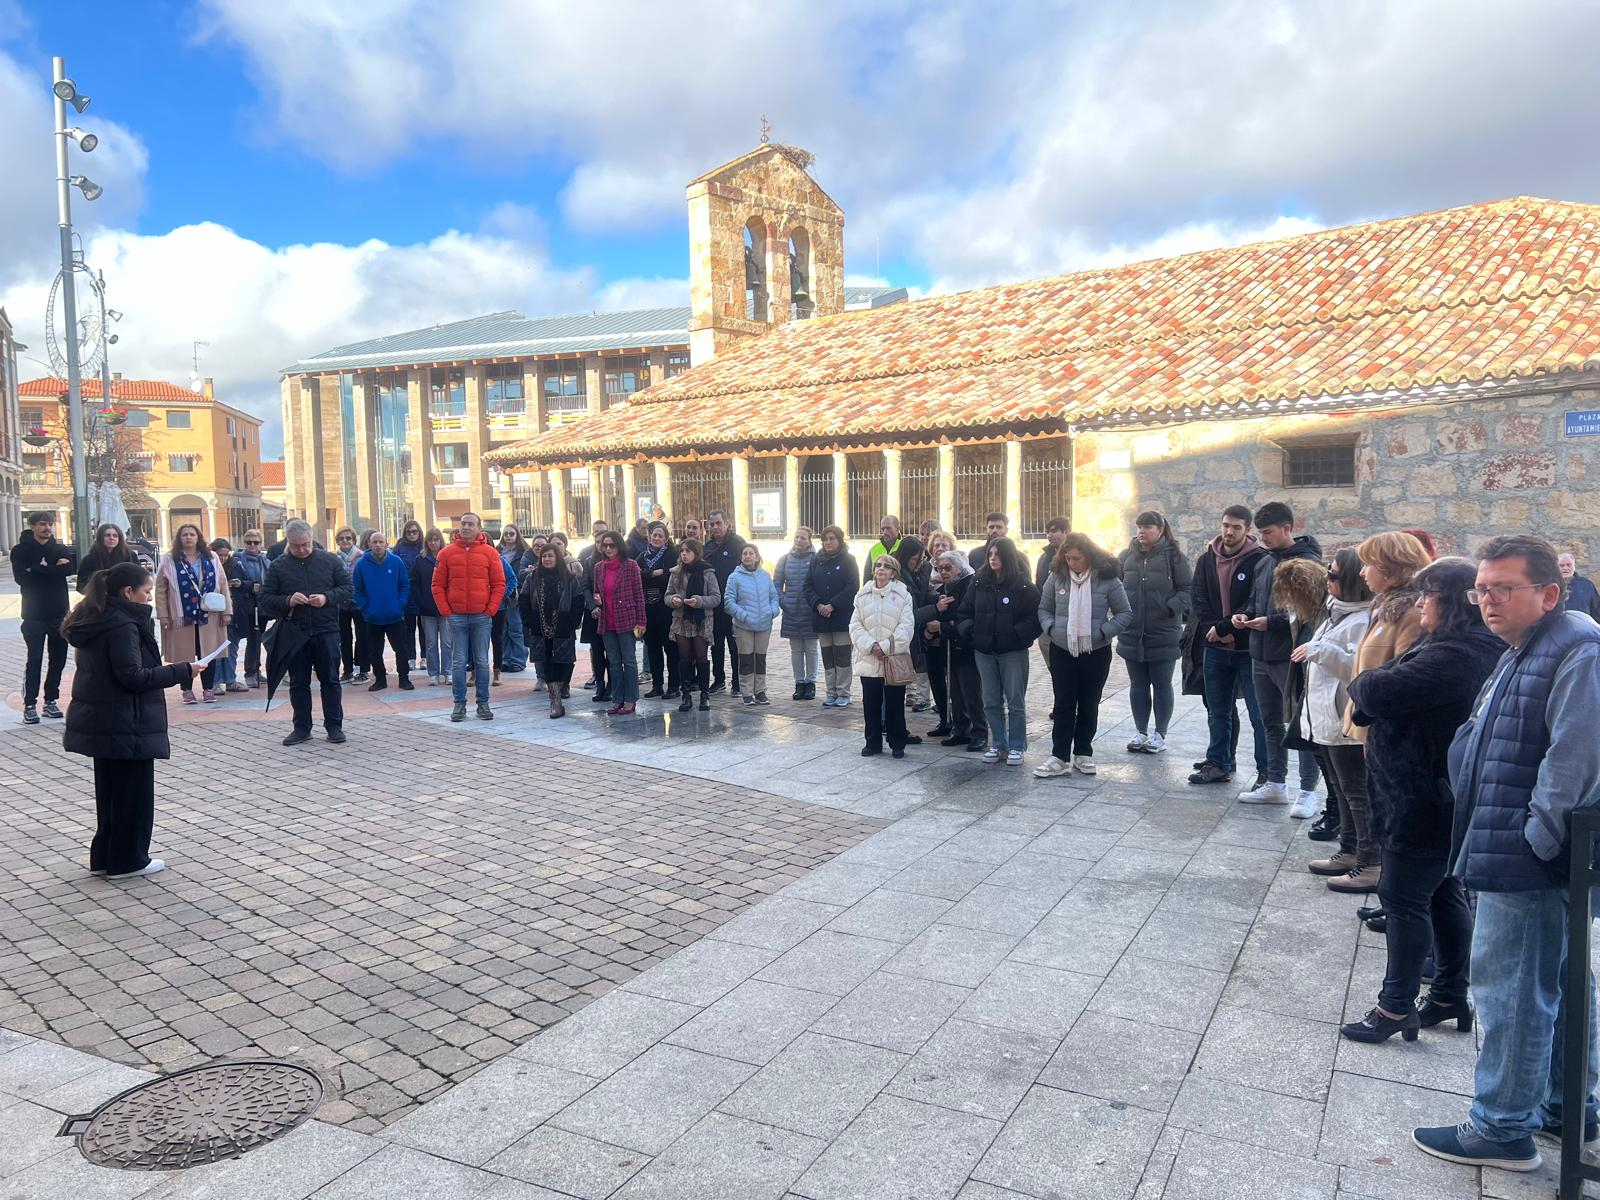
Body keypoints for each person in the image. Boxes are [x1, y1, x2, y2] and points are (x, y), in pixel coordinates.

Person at [1412, 535, 1600, 1173]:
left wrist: (1535, 840)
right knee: (1558, 979)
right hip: (1515, 846)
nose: (1487, 601)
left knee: (1512, 990)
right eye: (1481, 590)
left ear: (1548, 593)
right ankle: (1563, 1104)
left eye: (1502, 589)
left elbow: (1573, 760)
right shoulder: (1529, 648)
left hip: (1529, 857)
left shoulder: (1577, 649)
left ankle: (1502, 1128)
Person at [1339, 557, 1503, 1046]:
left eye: (1427, 595)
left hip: (1424, 799)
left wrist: (1366, 689)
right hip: (1422, 794)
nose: (1419, 604)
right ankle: (1451, 992)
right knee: (1441, 893)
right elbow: (1380, 685)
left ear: (1450, 601)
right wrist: (1370, 690)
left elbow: (1376, 685)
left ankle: (1394, 1007)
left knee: (1404, 899)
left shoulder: (1461, 654)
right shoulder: (1447, 644)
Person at [1309, 530, 1430, 892]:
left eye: (1371, 565)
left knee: (1363, 793)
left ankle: (1371, 863)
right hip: (1363, 716)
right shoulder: (1383, 607)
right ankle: (1353, 853)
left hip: (1383, 722)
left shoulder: (1409, 613)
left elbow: (1402, 672)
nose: (1363, 573)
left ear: (1391, 569)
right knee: (1348, 789)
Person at [61, 561, 197, 879]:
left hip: (107, 719)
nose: (149, 597)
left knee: (111, 794)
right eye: (147, 591)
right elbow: (133, 676)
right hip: (127, 720)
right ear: (128, 592)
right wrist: (183, 670)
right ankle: (128, 860)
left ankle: (107, 857)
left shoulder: (98, 616)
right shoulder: (122, 624)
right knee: (132, 794)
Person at [1232, 502, 1322, 805]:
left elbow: (1310, 614)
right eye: (1260, 533)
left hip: (1291, 656)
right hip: (1260, 654)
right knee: (1270, 722)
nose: (1263, 538)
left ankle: (1308, 791)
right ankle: (1276, 784)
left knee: (1303, 724)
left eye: (1268, 533)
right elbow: (1254, 601)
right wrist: (1242, 616)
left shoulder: (1308, 563)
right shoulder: (1264, 561)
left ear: (1288, 528)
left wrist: (1270, 622)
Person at [1289, 548, 1373, 844]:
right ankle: (1348, 848)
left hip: (1344, 722)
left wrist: (1320, 651)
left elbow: (1361, 668)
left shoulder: (1364, 619)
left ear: (1350, 580)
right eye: (1328, 571)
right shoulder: (1334, 612)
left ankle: (1365, 855)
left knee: (1355, 792)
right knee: (1339, 788)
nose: (1326, 578)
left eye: (1333, 574)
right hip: (1324, 718)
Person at [1035, 533, 1131, 777]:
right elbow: (1044, 608)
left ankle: (1083, 753)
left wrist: (1102, 632)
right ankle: (1059, 756)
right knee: (1063, 702)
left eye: (1076, 559)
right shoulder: (1056, 577)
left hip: (1095, 650)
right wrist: (1051, 629)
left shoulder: (1108, 580)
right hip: (1062, 648)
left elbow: (1124, 613)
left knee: (1089, 702)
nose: (1071, 563)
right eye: (1067, 558)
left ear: (1089, 556)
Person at [1189, 506, 1270, 786]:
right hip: (1215, 648)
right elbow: (1197, 599)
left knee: (1259, 715)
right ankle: (1219, 763)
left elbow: (1255, 602)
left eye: (1236, 527)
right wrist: (1215, 630)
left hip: (1249, 650)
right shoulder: (1206, 559)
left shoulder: (1260, 560)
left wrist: (1229, 628)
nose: (1229, 532)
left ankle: (1266, 772)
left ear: (1247, 530)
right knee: (1218, 710)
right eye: (1225, 525)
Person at [260, 519, 352, 745]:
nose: (301, 550)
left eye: (305, 544)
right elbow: (265, 599)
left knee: (330, 680)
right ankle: (301, 728)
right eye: (296, 546)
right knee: (298, 682)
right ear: (288, 543)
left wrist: (326, 598)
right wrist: (287, 600)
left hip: (326, 629)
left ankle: (334, 726)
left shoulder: (329, 560)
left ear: (312, 540)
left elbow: (348, 588)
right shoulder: (279, 565)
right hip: (295, 632)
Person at [959, 535, 1044, 766]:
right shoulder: (978, 581)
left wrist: (1016, 635)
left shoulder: (1023, 584)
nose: (993, 558)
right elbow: (964, 612)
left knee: (1015, 700)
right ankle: (998, 743)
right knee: (990, 700)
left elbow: (1035, 616)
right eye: (990, 554)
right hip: (984, 651)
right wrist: (972, 633)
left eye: (998, 554)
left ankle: (1017, 745)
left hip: (1012, 652)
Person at [1116, 511, 1192, 754]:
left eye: (1147, 526)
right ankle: (1140, 731)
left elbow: (1188, 590)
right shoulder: (1125, 557)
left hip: (1164, 632)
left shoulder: (1175, 558)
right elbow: (1114, 588)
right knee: (1138, 685)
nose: (1141, 531)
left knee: (1161, 684)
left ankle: (1160, 733)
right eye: (1139, 526)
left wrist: (1170, 608)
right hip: (1131, 632)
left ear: (1160, 530)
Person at [1269, 556, 1332, 816]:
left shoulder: (1328, 611)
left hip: (1324, 688)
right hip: (1305, 682)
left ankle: (1313, 794)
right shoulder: (1300, 613)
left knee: (1320, 748)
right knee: (1304, 735)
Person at [434, 512, 505, 722]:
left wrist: (490, 610)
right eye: (463, 523)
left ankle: (483, 703)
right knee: (458, 662)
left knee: (482, 661)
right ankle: (459, 704)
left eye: (470, 524)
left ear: (478, 527)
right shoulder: (445, 554)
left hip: (481, 617)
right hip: (456, 616)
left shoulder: (491, 554)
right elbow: (437, 585)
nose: (465, 527)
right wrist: (447, 611)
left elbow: (499, 584)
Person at [154, 524, 232, 705]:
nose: (188, 537)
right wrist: (163, 615)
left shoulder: (211, 557)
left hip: (209, 615)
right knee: (184, 655)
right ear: (179, 538)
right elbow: (160, 589)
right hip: (181, 614)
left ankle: (208, 689)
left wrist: (227, 611)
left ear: (198, 537)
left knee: (209, 653)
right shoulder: (169, 559)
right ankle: (187, 690)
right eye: (184, 535)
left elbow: (223, 584)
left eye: (192, 534)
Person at [11, 512, 75, 724]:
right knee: (35, 660)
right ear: (32, 526)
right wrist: (52, 569)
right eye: (42, 524)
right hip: (33, 615)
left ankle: (50, 701)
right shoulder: (20, 551)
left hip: (59, 615)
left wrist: (37, 569)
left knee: (58, 661)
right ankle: (30, 703)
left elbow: (69, 569)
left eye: (49, 524)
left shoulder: (59, 548)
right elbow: (22, 578)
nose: (47, 528)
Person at [850, 554, 915, 757]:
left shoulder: (903, 595)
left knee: (895, 702)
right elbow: (855, 625)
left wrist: (886, 647)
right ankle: (873, 742)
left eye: (887, 566)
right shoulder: (862, 595)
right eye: (878, 565)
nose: (881, 569)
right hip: (869, 657)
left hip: (893, 657)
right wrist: (871, 646)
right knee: (870, 703)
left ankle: (897, 742)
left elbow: (906, 626)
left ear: (893, 572)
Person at [521, 542, 585, 718]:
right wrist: (528, 620)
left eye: (550, 556)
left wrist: (572, 621)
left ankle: (562, 686)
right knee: (547, 662)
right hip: (540, 626)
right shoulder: (532, 577)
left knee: (563, 662)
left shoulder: (570, 578)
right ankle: (555, 701)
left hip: (563, 625)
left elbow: (579, 601)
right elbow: (524, 599)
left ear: (558, 557)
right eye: (544, 556)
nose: (547, 559)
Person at [932, 550, 985, 750]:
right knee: (956, 693)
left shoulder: (969, 584)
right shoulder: (947, 586)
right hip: (950, 647)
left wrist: (943, 626)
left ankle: (979, 732)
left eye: (948, 568)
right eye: (940, 568)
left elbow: (965, 618)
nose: (943, 572)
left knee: (972, 694)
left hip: (966, 647)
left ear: (959, 567)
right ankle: (960, 729)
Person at [589, 530, 646, 715]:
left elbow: (639, 595)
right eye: (604, 545)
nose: (607, 548)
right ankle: (617, 699)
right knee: (613, 662)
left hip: (627, 619)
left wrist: (641, 621)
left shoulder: (630, 566)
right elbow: (597, 591)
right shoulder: (599, 567)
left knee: (628, 661)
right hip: (607, 620)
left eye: (611, 545)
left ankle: (630, 699)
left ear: (619, 546)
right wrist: (597, 599)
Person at [352, 530, 412, 692]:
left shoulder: (396, 562)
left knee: (401, 649)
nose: (378, 545)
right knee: (375, 651)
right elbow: (356, 590)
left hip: (395, 615)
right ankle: (380, 679)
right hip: (372, 617)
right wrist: (365, 608)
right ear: (369, 545)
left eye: (381, 542)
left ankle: (404, 678)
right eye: (374, 542)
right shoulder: (361, 564)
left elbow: (404, 585)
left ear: (386, 544)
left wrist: (400, 604)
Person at [666, 538, 721, 711]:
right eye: (682, 551)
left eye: (688, 551)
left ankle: (704, 695)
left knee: (701, 657)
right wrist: (673, 600)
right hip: (681, 619)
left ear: (696, 553)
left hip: (701, 619)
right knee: (684, 658)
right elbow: (667, 595)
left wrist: (698, 601)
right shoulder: (676, 572)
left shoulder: (707, 572)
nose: (684, 554)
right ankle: (686, 695)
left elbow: (716, 598)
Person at [807, 525, 859, 707]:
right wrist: (818, 604)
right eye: (825, 539)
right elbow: (808, 586)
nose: (828, 542)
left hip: (841, 617)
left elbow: (852, 587)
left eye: (832, 539)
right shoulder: (816, 560)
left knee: (842, 656)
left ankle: (844, 692)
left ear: (839, 540)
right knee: (828, 656)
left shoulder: (849, 560)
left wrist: (832, 605)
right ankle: (831, 692)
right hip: (821, 617)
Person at [725, 544, 780, 705]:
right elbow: (728, 602)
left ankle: (760, 691)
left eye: (751, 553)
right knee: (747, 659)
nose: (748, 556)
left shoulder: (765, 576)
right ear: (741, 557)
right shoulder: (734, 577)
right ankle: (747, 692)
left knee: (760, 659)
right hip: (744, 626)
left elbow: (773, 597)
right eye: (745, 553)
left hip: (764, 624)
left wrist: (772, 611)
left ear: (757, 556)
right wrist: (743, 615)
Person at [703, 509, 747, 694]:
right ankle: (719, 679)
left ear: (726, 523)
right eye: (712, 524)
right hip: (714, 604)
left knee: (735, 644)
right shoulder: (707, 547)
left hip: (734, 603)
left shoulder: (738, 544)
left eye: (718, 523)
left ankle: (737, 682)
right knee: (716, 643)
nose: (715, 527)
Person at [773, 526, 819, 701]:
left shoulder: (816, 559)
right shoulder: (784, 559)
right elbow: (776, 584)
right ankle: (799, 683)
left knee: (812, 649)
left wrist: (815, 603)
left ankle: (811, 683)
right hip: (791, 610)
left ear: (809, 540)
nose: (799, 540)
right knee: (796, 649)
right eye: (797, 537)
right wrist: (783, 601)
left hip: (810, 611)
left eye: (803, 538)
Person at [636, 521, 678, 698]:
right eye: (654, 535)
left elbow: (670, 577)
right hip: (647, 609)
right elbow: (637, 577)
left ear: (666, 539)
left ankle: (674, 686)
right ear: (649, 536)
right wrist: (656, 573)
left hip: (665, 609)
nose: (657, 538)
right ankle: (657, 685)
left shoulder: (672, 554)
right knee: (652, 648)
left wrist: (650, 575)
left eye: (661, 535)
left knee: (670, 648)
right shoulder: (641, 557)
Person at [409, 528, 451, 686]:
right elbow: (414, 582)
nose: (433, 543)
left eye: (436, 540)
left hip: (445, 607)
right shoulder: (420, 560)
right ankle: (433, 673)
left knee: (447, 642)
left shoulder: (447, 557)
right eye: (430, 540)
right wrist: (420, 601)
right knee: (431, 642)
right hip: (427, 608)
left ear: (440, 540)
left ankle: (448, 672)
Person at [578, 521, 610, 701]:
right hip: (594, 613)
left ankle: (613, 684)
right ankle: (600, 684)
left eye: (605, 543)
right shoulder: (589, 561)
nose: (602, 546)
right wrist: (592, 606)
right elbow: (585, 586)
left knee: (612, 652)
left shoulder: (616, 561)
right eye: (599, 542)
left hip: (611, 612)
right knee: (597, 651)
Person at [233, 529, 270, 688]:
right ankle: (246, 673)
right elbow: (238, 583)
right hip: (243, 604)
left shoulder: (265, 561)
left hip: (261, 605)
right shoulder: (237, 560)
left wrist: (259, 588)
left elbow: (268, 583)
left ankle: (255, 670)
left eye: (256, 542)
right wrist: (252, 587)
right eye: (249, 542)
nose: (252, 545)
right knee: (239, 639)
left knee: (256, 638)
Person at [209, 539, 244, 693]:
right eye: (220, 555)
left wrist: (240, 584)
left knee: (232, 648)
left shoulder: (235, 565)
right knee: (215, 649)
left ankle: (230, 679)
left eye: (225, 555)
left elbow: (249, 584)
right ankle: (214, 682)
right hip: (214, 612)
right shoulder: (208, 566)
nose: (223, 558)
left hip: (233, 612)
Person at [496, 524, 530, 676]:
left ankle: (518, 660)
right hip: (500, 595)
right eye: (506, 534)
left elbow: (522, 574)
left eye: (511, 534)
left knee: (516, 629)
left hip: (516, 595)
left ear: (517, 536)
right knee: (503, 629)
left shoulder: (524, 553)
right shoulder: (496, 552)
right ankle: (505, 659)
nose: (508, 537)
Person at [393, 519, 426, 673]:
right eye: (409, 532)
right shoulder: (399, 547)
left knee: (425, 628)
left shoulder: (424, 545)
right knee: (408, 629)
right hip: (406, 592)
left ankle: (425, 657)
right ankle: (410, 658)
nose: (412, 534)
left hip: (423, 591)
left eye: (415, 531)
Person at [333, 527, 365, 683]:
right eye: (341, 538)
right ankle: (347, 671)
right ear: (337, 541)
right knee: (344, 639)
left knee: (362, 637)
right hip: (341, 604)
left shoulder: (362, 557)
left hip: (359, 604)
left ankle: (362, 669)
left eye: (348, 538)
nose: (345, 541)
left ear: (353, 540)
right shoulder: (333, 559)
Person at [77, 523, 137, 594]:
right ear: (100, 538)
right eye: (107, 535)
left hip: (125, 598)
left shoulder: (130, 556)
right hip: (99, 599)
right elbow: (81, 585)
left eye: (115, 535)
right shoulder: (89, 559)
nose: (111, 538)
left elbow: (139, 578)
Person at [1558, 552, 1600, 621]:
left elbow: (1596, 610)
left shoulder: (1587, 585)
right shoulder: (1551, 586)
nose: (1565, 568)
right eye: (1562, 565)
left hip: (1584, 628)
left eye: (1569, 565)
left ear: (1574, 566)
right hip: (1558, 628)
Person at [863, 515, 902, 579]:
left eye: (888, 528)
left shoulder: (905, 546)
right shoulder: (874, 549)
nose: (885, 532)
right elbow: (867, 576)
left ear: (897, 529)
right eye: (883, 529)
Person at [1036, 518, 1069, 588]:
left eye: (1053, 531)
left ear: (1066, 532)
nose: (1049, 536)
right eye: (1047, 532)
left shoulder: (1076, 557)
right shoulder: (1043, 558)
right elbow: (1039, 584)